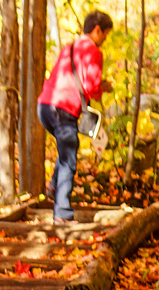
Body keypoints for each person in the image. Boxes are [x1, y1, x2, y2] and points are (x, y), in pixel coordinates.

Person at [37, 12, 113, 224]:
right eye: (105, 34)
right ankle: (61, 213)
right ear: (97, 30)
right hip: (64, 109)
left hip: (44, 106)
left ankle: (53, 186)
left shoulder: (68, 48)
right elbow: (92, 86)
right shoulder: (94, 52)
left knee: (65, 149)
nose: (104, 39)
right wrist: (103, 88)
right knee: (69, 158)